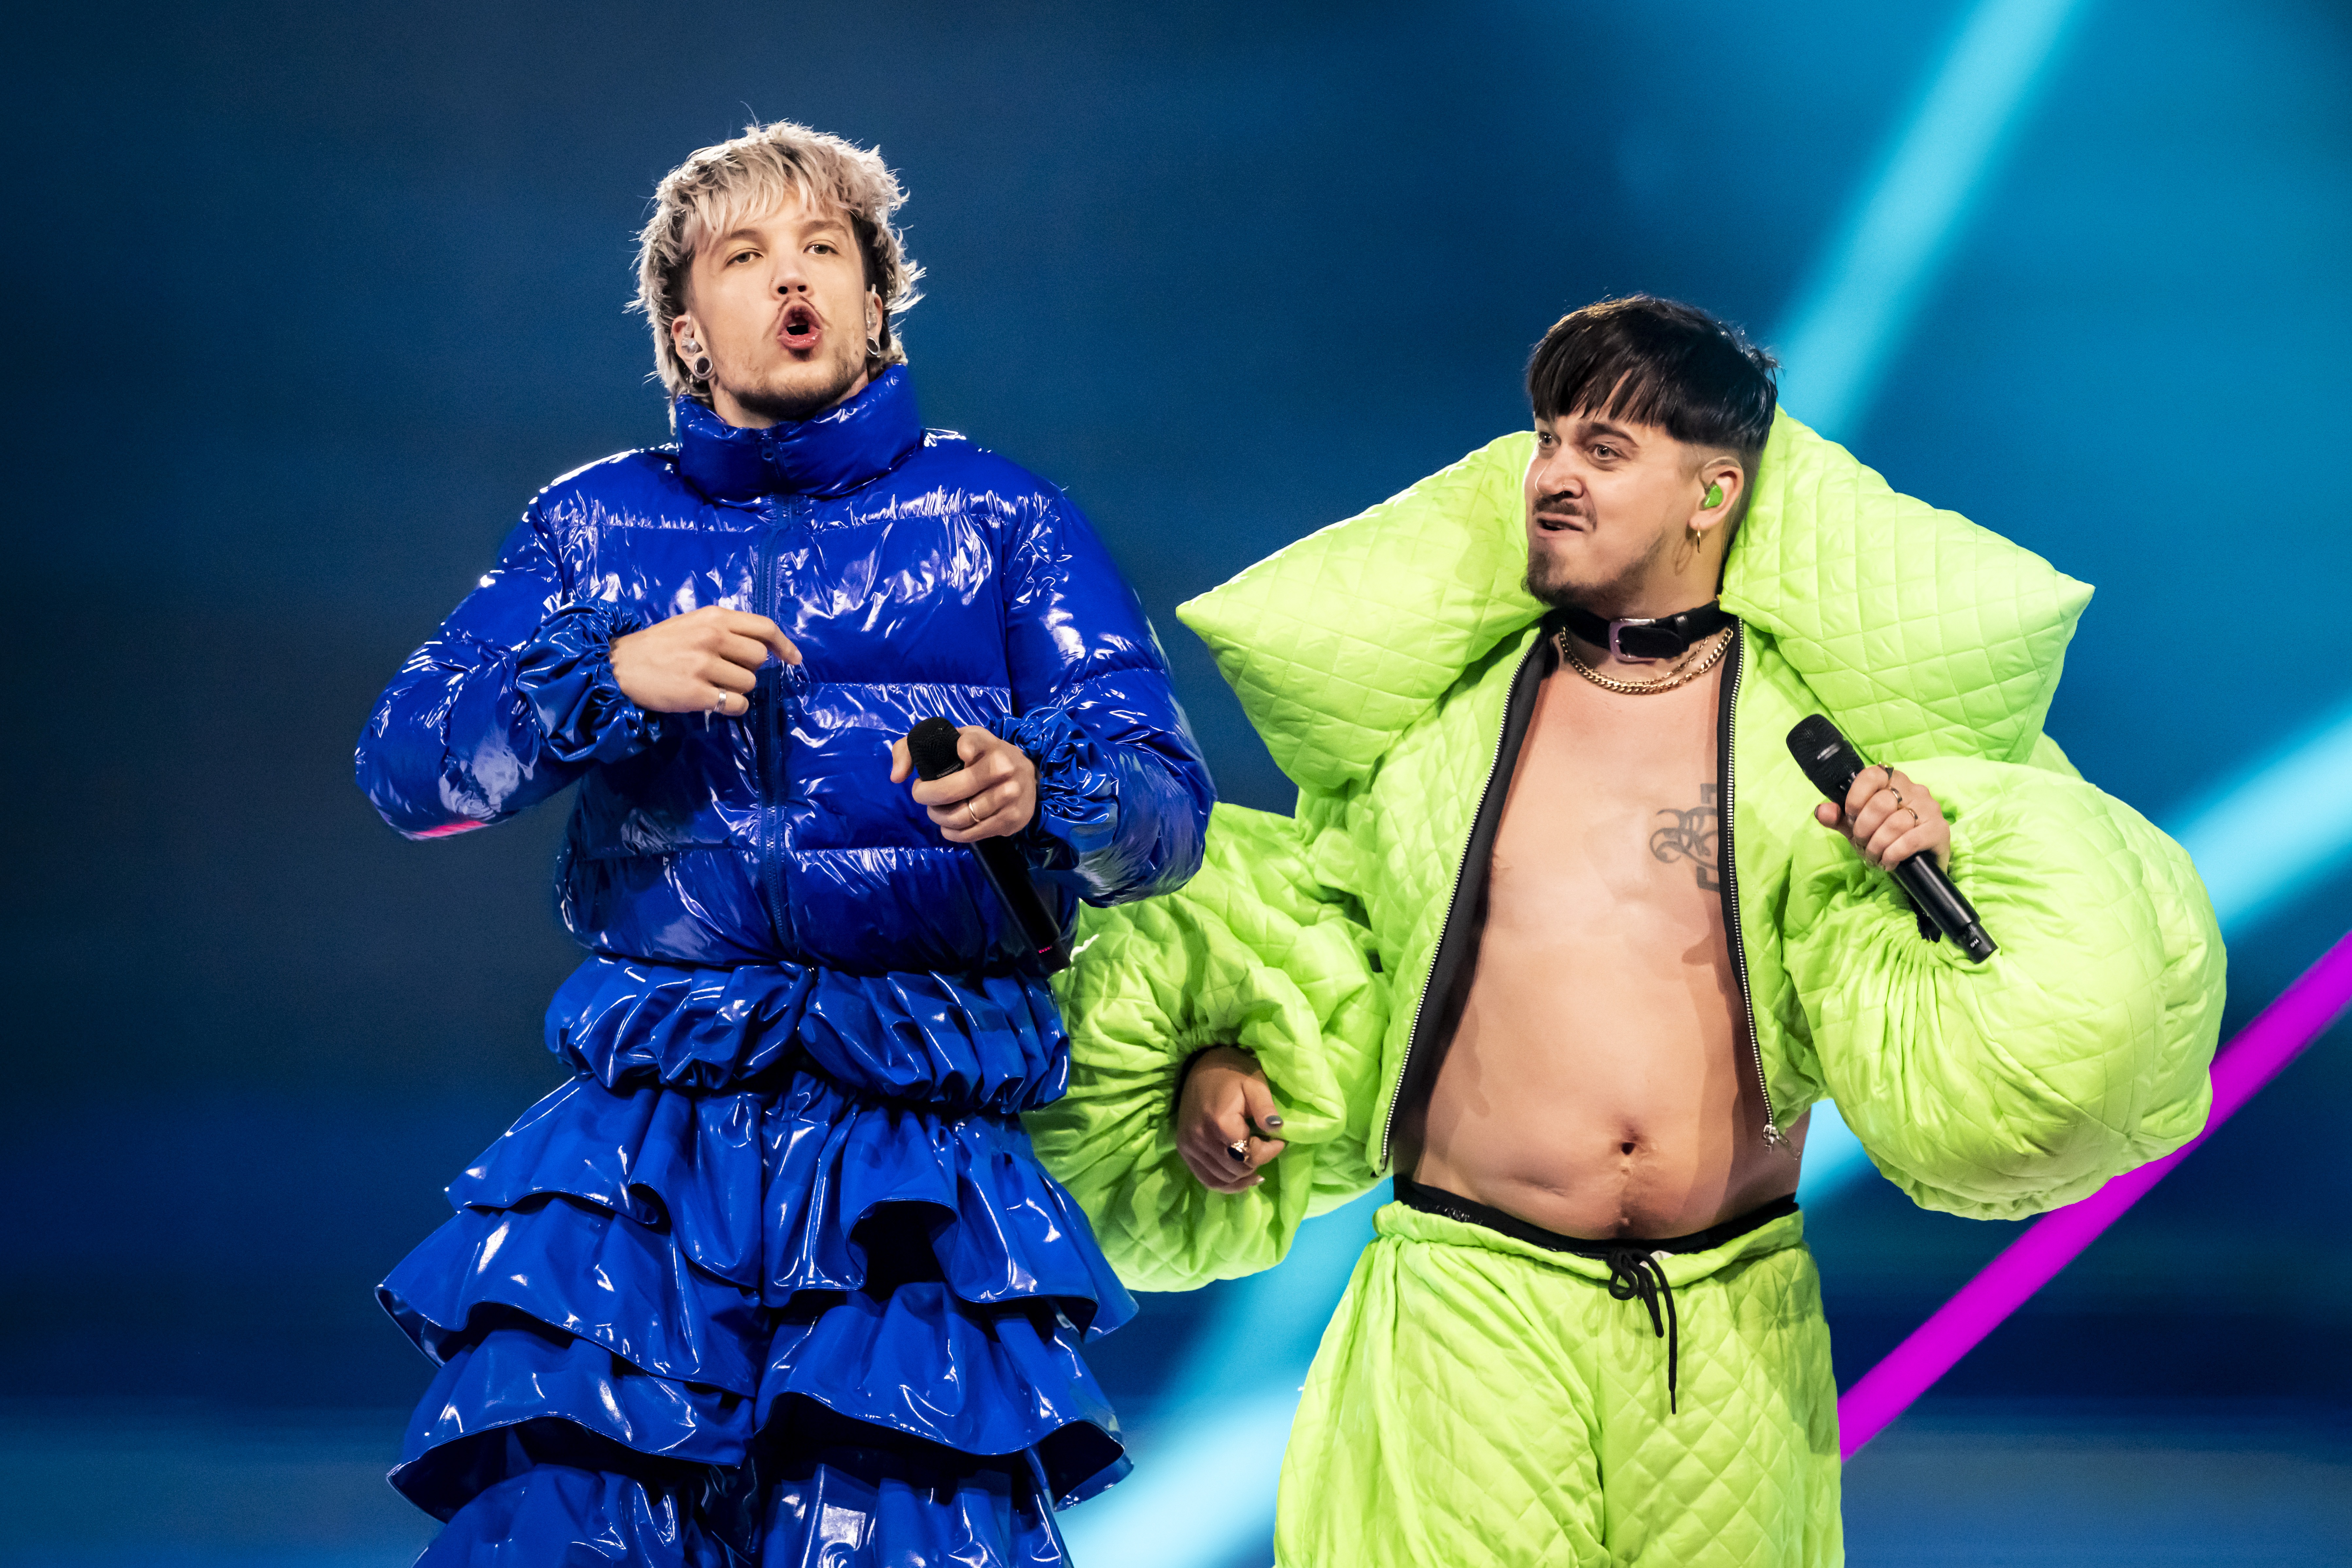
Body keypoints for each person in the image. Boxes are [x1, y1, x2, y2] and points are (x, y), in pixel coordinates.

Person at [1028, 295, 2223, 1566]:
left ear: (1712, 493)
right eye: (1549, 439)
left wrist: (1936, 865)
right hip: (1468, 1312)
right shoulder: (1440, 733)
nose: (1549, 476)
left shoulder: (1823, 749)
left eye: (1603, 450)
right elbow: (1328, 943)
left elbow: (1979, 1017)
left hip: (1727, 1334)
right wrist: (1224, 1064)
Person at [355, 119, 1212, 1566]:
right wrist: (605, 679)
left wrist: (1042, 788)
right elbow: (407, 765)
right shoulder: (589, 527)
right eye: (745, 257)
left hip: (907, 1169)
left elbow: (1162, 809)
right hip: (641, 1155)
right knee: (570, 1531)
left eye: (827, 248)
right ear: (686, 331)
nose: (792, 279)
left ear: (879, 300)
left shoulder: (1003, 519)